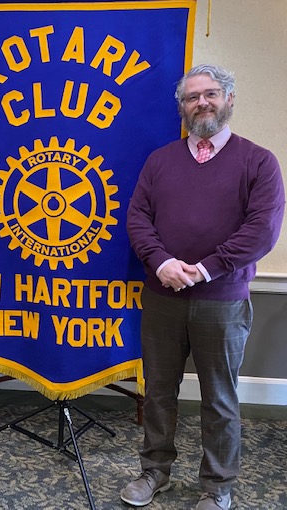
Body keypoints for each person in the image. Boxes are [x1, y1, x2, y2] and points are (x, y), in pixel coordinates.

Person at [122, 63, 285, 510]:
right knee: (158, 391)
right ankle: (154, 472)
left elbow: (262, 231)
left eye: (211, 94)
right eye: (192, 97)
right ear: (182, 107)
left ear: (229, 99)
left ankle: (217, 487)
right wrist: (162, 263)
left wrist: (204, 269)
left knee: (220, 399)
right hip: (161, 298)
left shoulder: (259, 161)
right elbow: (137, 218)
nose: (202, 103)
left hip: (223, 301)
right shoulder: (160, 160)